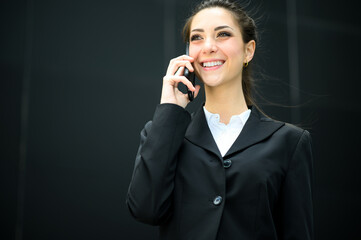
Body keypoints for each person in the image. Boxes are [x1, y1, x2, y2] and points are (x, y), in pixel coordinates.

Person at [126, 0, 314, 239]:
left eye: (222, 34)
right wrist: (170, 109)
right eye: (196, 38)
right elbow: (145, 210)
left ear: (249, 50)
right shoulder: (163, 133)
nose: (208, 46)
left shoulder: (290, 142)